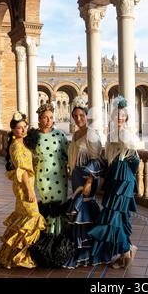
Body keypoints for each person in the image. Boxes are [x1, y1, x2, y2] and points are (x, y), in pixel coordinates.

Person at [88, 95, 139, 269]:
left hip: (123, 181)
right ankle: (126, 251)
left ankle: (126, 249)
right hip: (115, 179)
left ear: (126, 117)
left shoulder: (125, 134)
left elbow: (136, 160)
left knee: (111, 216)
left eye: (123, 115)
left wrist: (125, 173)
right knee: (120, 217)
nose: (120, 117)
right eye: (117, 115)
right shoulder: (111, 135)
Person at [0, 112, 46, 269]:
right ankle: (21, 256)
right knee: (33, 217)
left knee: (22, 218)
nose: (23, 130)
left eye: (25, 127)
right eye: (19, 128)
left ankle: (10, 255)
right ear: (13, 130)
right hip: (23, 186)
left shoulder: (23, 143)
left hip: (26, 185)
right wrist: (29, 191)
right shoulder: (17, 147)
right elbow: (22, 170)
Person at [26, 103, 71, 267]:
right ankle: (47, 247)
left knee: (59, 208)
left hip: (59, 177)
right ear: (39, 119)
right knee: (49, 208)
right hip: (43, 179)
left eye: (51, 118)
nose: (48, 120)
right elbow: (27, 158)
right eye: (45, 117)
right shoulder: (33, 137)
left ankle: (60, 248)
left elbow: (69, 155)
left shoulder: (60, 135)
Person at [62, 96, 102, 269]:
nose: (79, 119)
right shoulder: (77, 133)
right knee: (79, 213)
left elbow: (97, 160)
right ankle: (81, 253)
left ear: (86, 115)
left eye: (81, 116)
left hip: (87, 179)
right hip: (76, 178)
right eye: (75, 116)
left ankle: (86, 254)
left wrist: (89, 182)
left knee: (82, 211)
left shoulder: (92, 134)